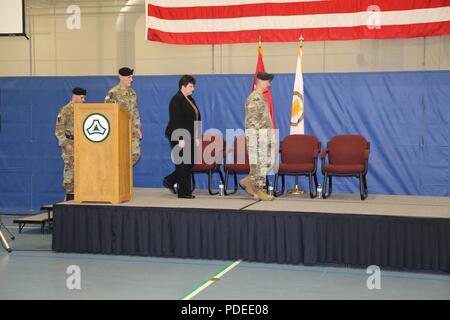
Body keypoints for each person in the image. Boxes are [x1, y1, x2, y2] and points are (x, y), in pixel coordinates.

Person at [163, 75, 201, 199]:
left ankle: (170, 180)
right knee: (183, 163)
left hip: (190, 136)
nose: (193, 89)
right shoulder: (176, 99)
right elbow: (175, 121)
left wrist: (198, 136)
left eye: (193, 86)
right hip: (178, 135)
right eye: (191, 86)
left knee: (191, 161)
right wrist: (179, 138)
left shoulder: (191, 99)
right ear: (183, 86)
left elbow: (197, 118)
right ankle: (184, 192)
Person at [240, 72, 276, 201]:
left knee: (262, 164)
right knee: (259, 164)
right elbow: (253, 121)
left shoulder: (260, 97)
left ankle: (248, 182)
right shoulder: (254, 98)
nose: (269, 84)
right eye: (267, 81)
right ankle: (259, 190)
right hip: (257, 137)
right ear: (260, 81)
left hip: (262, 136)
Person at [104, 67, 143, 166]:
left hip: (132, 130)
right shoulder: (113, 93)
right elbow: (108, 114)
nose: (131, 80)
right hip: (118, 131)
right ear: (121, 77)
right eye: (129, 77)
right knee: (118, 155)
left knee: (135, 154)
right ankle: (117, 175)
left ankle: (123, 173)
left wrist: (137, 129)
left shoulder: (132, 93)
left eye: (132, 77)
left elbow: (135, 112)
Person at [55, 87, 87, 201]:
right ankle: (68, 202)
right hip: (70, 144)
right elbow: (59, 130)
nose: (83, 100)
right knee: (70, 174)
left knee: (82, 173)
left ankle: (80, 201)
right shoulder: (65, 110)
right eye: (82, 97)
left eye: (84, 98)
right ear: (75, 96)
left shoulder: (83, 110)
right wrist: (66, 144)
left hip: (82, 144)